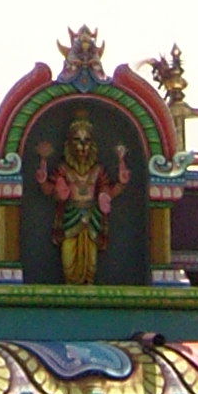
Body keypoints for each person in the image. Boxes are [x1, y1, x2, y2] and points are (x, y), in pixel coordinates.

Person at [44, 108, 120, 286]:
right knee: (69, 260)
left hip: (92, 219)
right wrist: (43, 178)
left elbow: (109, 192)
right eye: (77, 141)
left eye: (87, 141)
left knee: (91, 262)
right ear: (69, 144)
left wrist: (121, 183)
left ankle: (88, 287)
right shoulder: (64, 169)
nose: (82, 146)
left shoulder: (98, 170)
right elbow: (50, 190)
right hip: (70, 217)